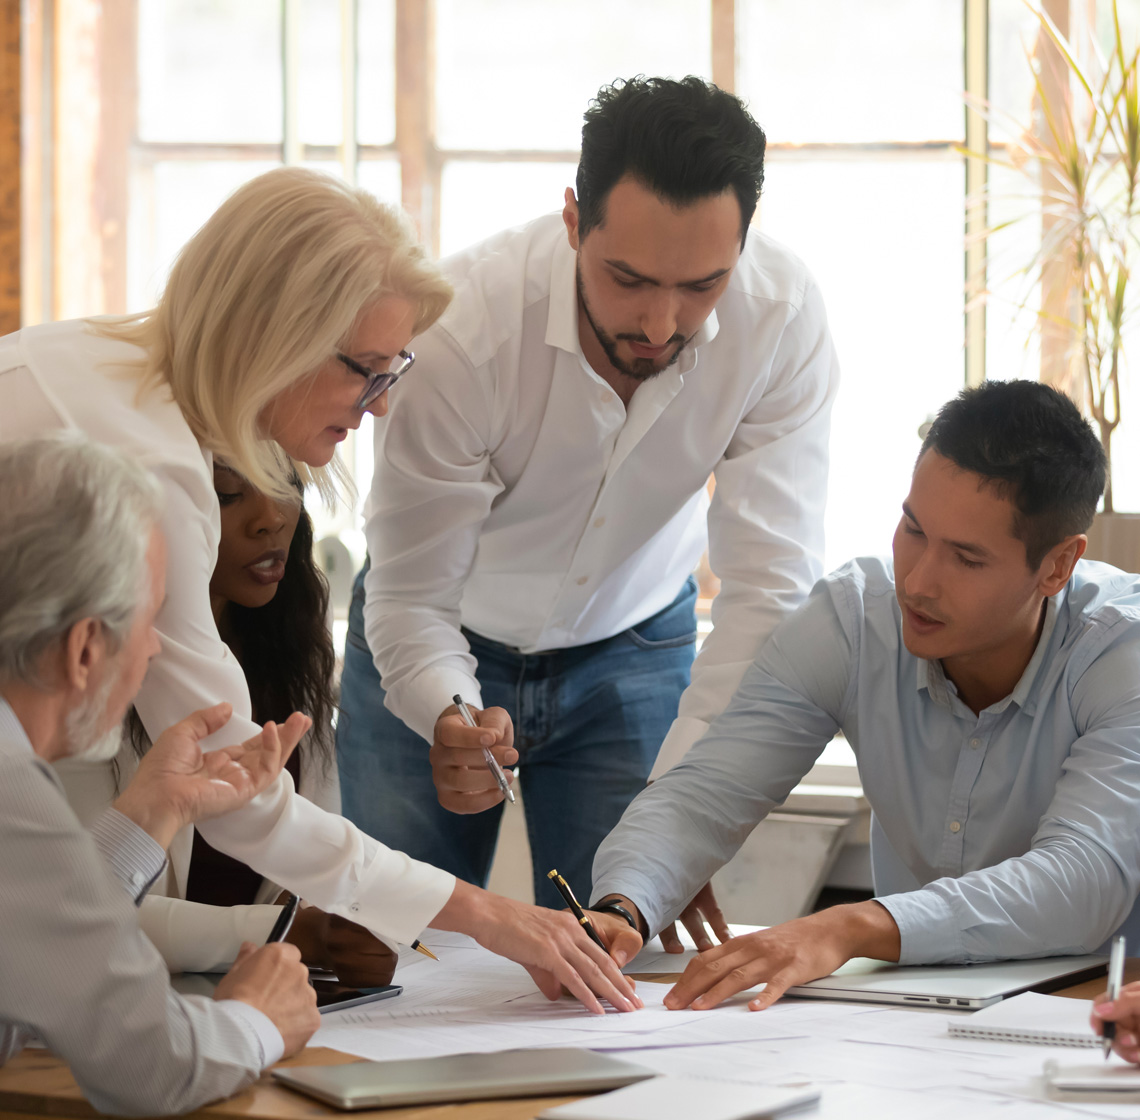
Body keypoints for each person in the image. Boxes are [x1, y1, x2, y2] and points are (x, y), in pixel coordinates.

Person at [0, 167, 641, 1013]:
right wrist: (491, 917)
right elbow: (235, 793)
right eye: (367, 371)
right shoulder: (153, 471)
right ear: (277, 335)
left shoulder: (92, 360)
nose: (378, 407)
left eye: (394, 372)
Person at [336, 75, 839, 939]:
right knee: (391, 948)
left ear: (744, 244)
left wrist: (688, 807)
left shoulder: (782, 321)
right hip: (436, 637)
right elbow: (413, 593)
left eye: (703, 285)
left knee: (618, 958)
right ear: (574, 219)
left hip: (635, 644)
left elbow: (771, 589)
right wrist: (447, 713)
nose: (661, 323)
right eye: (628, 279)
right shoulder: (461, 330)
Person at [585, 379, 1140, 1013]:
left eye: (966, 559)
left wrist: (850, 926)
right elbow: (705, 794)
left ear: (1058, 566)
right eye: (914, 529)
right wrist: (623, 906)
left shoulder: (1120, 652)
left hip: (1098, 1014)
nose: (919, 582)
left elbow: (1084, 880)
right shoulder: (853, 620)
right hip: (903, 1011)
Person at [0, 436, 322, 1119]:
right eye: (151, 617)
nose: (156, 647)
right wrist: (257, 1018)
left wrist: (150, 814)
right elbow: (151, 1065)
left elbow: (43, 953)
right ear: (84, 649)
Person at [60, 463, 394, 983]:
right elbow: (79, 906)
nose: (271, 519)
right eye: (228, 495)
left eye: (286, 487)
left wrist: (324, 915)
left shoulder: (295, 637)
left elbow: (307, 849)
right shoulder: (97, 660)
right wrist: (289, 933)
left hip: (246, 990)